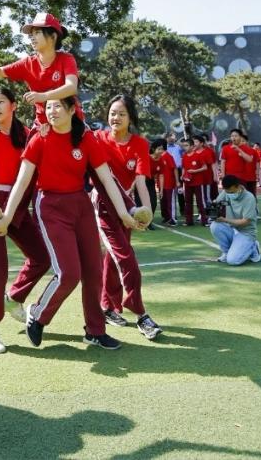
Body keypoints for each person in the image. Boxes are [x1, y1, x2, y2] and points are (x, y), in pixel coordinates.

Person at [0, 96, 140, 350]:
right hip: (50, 207)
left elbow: (107, 179)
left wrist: (125, 214)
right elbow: (22, 181)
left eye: (58, 105)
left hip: (80, 206)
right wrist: (7, 216)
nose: (51, 110)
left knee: (93, 270)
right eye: (48, 106)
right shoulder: (39, 139)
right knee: (69, 273)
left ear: (71, 110)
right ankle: (38, 313)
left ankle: (95, 331)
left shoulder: (87, 139)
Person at [0, 88, 52, 353]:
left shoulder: (27, 135)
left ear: (14, 105)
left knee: (42, 256)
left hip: (17, 204)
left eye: (1, 102)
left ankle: (14, 296)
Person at [91, 95, 163, 340]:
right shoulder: (98, 139)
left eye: (121, 113)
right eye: (112, 113)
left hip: (129, 207)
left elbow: (141, 181)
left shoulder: (140, 144)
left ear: (130, 117)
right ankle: (141, 313)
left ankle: (107, 306)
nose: (116, 118)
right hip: (103, 207)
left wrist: (147, 213)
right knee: (125, 257)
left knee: (114, 259)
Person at [0, 13, 82, 129]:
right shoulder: (27, 63)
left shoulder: (66, 59)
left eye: (37, 33)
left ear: (53, 36)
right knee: (30, 147)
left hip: (71, 123)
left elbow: (71, 87)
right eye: (31, 34)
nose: (32, 37)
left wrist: (43, 96)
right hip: (43, 125)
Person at [208, 175, 261, 266]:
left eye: (232, 192)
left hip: (246, 232)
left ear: (238, 186)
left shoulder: (249, 198)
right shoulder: (226, 192)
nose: (229, 194)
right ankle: (226, 252)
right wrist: (213, 207)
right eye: (227, 191)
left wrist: (225, 220)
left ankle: (253, 246)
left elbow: (245, 222)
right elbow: (216, 202)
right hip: (232, 228)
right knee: (215, 226)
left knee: (233, 261)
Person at [181, 135, 210, 226]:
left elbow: (205, 167)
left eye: (186, 145)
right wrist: (182, 175)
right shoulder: (184, 156)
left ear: (192, 146)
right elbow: (183, 168)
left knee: (200, 201)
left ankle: (204, 221)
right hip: (187, 183)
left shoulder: (198, 155)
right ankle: (189, 221)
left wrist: (194, 171)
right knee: (188, 201)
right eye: (184, 146)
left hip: (198, 182)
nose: (184, 147)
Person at [220, 129, 258, 195]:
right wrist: (223, 175)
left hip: (241, 177)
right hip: (229, 177)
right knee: (229, 197)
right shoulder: (225, 148)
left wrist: (239, 150)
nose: (233, 138)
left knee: (241, 197)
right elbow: (223, 162)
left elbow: (249, 160)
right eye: (232, 136)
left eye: (236, 136)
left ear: (240, 137)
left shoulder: (245, 148)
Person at [150, 139, 178, 226]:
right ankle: (166, 217)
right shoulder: (156, 157)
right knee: (163, 201)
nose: (160, 150)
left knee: (170, 201)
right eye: (158, 148)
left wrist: (177, 181)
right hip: (160, 183)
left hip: (169, 183)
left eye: (161, 148)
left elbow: (174, 168)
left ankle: (172, 218)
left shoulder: (168, 156)